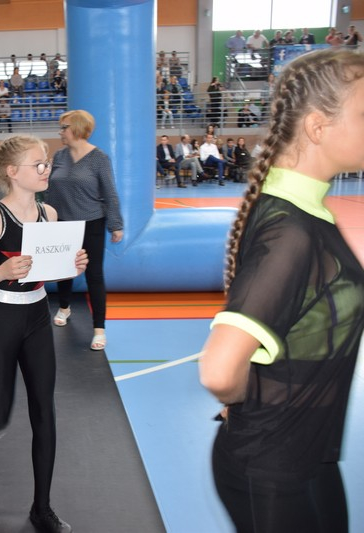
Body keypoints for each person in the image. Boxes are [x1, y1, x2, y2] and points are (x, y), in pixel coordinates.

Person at [199, 48, 364, 533]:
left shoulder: (307, 212)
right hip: (271, 467)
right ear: (317, 126)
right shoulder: (291, 230)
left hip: (309, 455)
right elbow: (219, 369)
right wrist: (254, 396)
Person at [0, 134, 87, 533]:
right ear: (12, 171)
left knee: (45, 412)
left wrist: (71, 265)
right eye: (37, 164)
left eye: (47, 163)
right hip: (1, 317)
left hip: (37, 317)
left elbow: (47, 271)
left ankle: (41, 507)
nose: (46, 169)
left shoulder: (50, 214)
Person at [45, 110, 123, 351]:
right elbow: (49, 190)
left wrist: (116, 224)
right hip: (62, 223)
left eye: (64, 127)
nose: (60, 132)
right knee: (64, 270)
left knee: (94, 275)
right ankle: (64, 307)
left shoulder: (99, 158)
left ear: (78, 129)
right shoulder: (59, 155)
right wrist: (46, 218)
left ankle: (99, 329)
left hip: (91, 222)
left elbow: (109, 193)